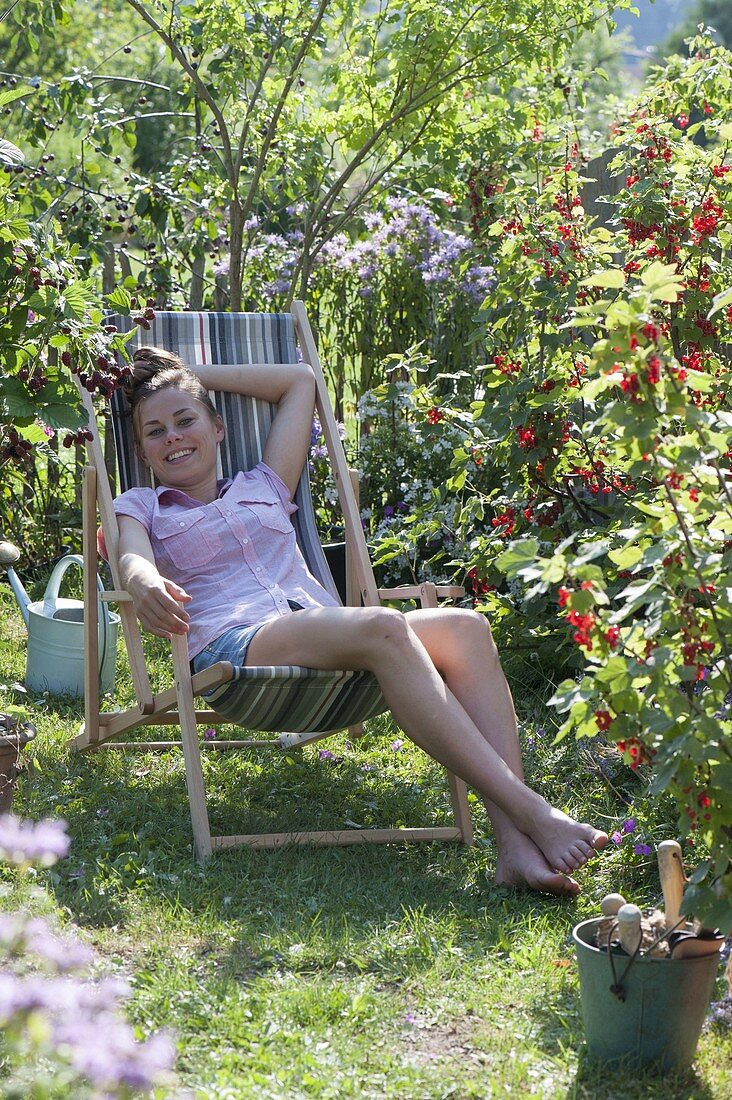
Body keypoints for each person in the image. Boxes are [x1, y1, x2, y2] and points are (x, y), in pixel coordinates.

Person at [115, 347, 608, 896]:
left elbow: (300, 380)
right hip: (236, 648)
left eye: (186, 420)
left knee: (467, 628)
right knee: (384, 627)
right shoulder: (140, 505)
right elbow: (130, 555)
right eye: (154, 431)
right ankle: (533, 810)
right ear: (142, 451)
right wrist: (144, 581)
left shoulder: (266, 484)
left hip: (323, 630)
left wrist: (180, 379)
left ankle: (514, 849)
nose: (174, 437)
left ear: (218, 426)